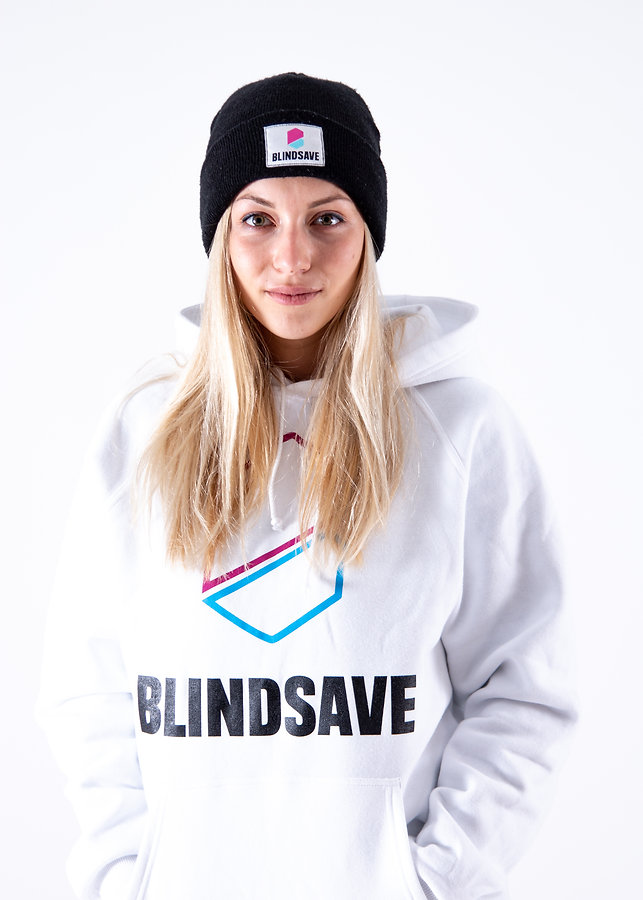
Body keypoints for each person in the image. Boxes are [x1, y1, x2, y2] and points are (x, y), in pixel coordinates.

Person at [39, 73, 576, 900]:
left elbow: (525, 689)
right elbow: (90, 689)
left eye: (327, 218)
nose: (291, 257)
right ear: (220, 237)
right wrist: (129, 877)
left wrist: (434, 881)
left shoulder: (463, 430)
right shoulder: (143, 430)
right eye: (257, 219)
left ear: (368, 236)